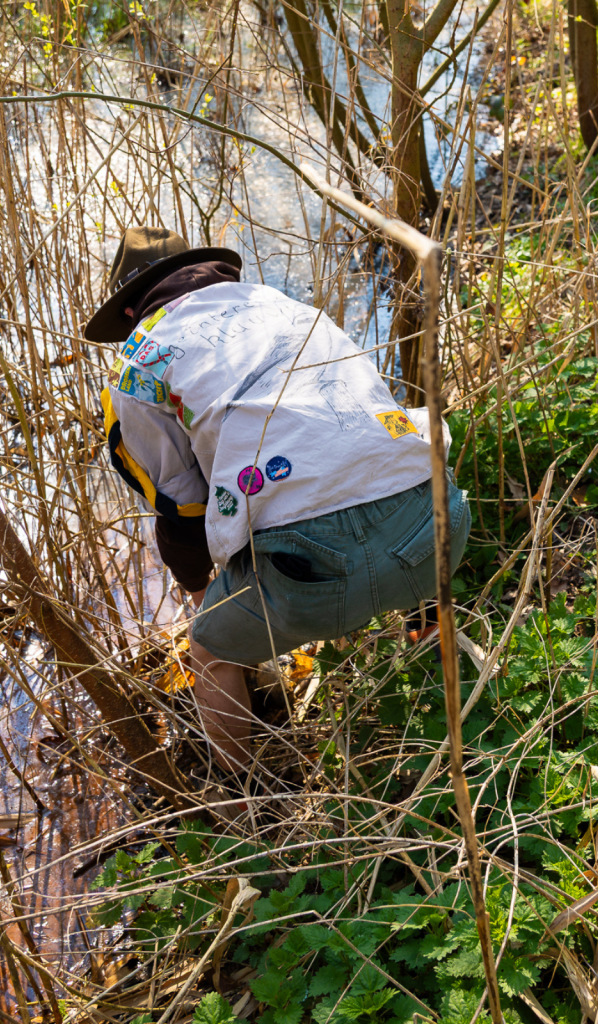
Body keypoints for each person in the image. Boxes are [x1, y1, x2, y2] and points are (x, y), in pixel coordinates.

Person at [84, 226, 470, 789]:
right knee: (389, 498)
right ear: (211, 272)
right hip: (438, 524)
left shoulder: (139, 365)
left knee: (209, 651)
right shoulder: (284, 305)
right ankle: (448, 681)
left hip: (317, 572)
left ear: (130, 309)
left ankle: (244, 798)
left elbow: (179, 506)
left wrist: (201, 592)